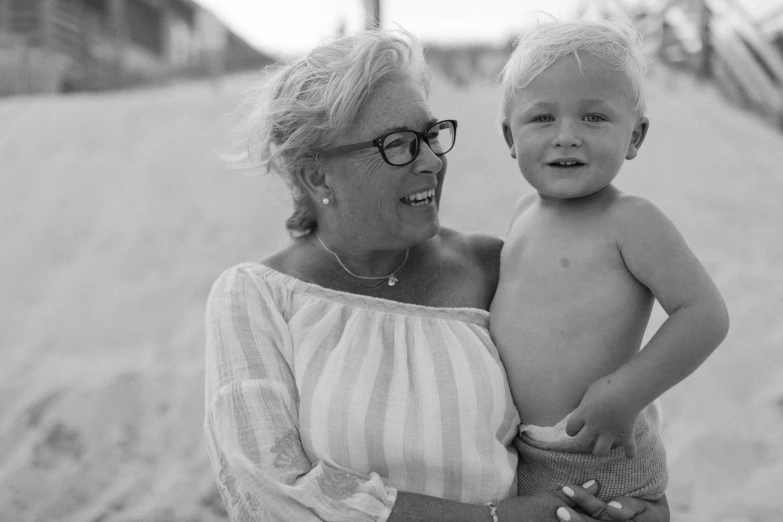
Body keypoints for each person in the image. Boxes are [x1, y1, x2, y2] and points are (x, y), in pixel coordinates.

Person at [204, 27, 671, 522]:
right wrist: (496, 520)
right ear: (318, 175)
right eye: (398, 144)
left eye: (431, 135)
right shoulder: (257, 297)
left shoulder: (497, 267)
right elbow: (268, 491)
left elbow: (602, 416)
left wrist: (637, 506)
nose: (432, 160)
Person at [491, 18, 730, 503]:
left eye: (594, 118)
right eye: (542, 118)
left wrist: (627, 392)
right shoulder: (521, 214)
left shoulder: (631, 220)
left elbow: (705, 315)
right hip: (524, 451)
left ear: (636, 136)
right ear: (509, 136)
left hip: (600, 448)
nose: (567, 136)